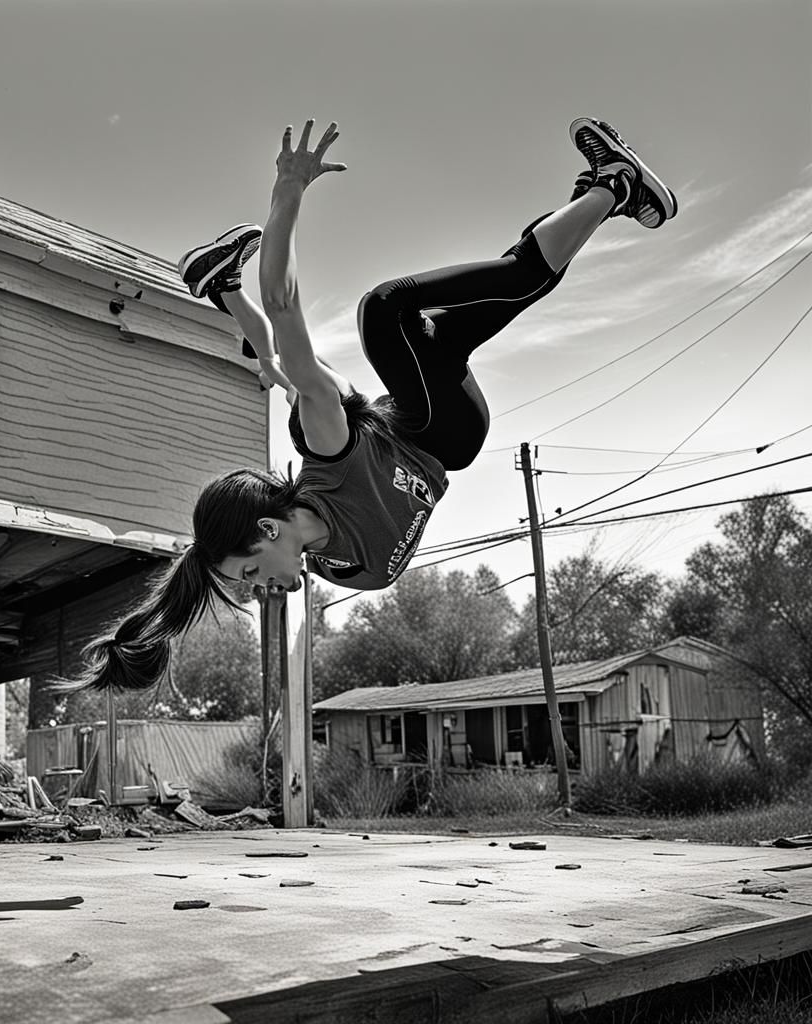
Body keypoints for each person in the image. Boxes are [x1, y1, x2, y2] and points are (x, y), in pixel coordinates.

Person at [73, 117, 677, 692]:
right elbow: (286, 368)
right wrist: (241, 313)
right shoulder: (334, 565)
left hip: (430, 418)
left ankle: (604, 191)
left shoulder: (326, 454)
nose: (264, 590)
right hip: (440, 427)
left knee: (432, 302)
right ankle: (608, 187)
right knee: (396, 316)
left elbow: (286, 329)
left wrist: (286, 195)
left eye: (252, 574)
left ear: (267, 528)